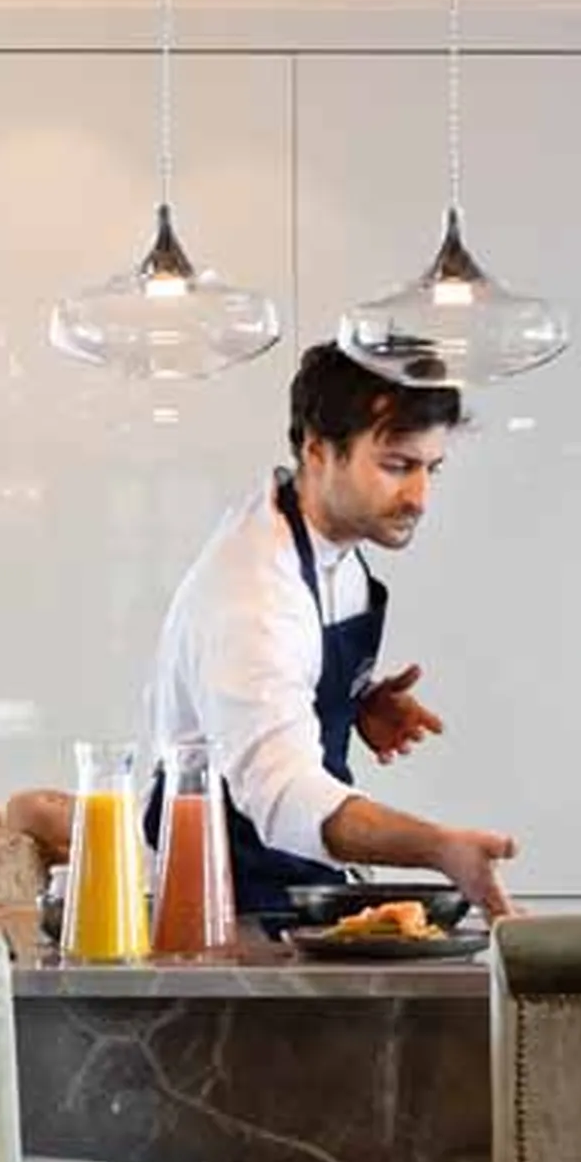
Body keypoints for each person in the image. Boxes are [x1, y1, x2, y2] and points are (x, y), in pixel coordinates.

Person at [137, 342, 521, 924]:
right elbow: (285, 796)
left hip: (303, 885)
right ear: (317, 451)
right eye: (396, 466)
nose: (419, 497)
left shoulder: (331, 543)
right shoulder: (255, 591)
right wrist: (439, 848)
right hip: (222, 909)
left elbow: (286, 679)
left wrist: (349, 702)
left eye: (430, 469)